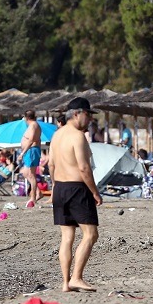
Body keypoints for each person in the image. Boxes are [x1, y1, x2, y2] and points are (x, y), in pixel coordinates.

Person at [49, 97, 103, 292]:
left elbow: (51, 165)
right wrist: (95, 192)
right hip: (77, 188)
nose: (90, 119)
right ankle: (76, 278)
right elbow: (84, 168)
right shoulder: (78, 136)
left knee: (67, 237)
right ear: (76, 114)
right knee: (90, 234)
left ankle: (65, 283)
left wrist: (55, 186)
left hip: (60, 188)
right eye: (88, 114)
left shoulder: (56, 135)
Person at [18, 110, 45, 209]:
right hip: (30, 151)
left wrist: (23, 152)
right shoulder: (33, 125)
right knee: (25, 173)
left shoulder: (34, 125)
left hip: (31, 151)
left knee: (31, 175)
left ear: (26, 118)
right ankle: (38, 192)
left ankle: (33, 197)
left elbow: (31, 140)